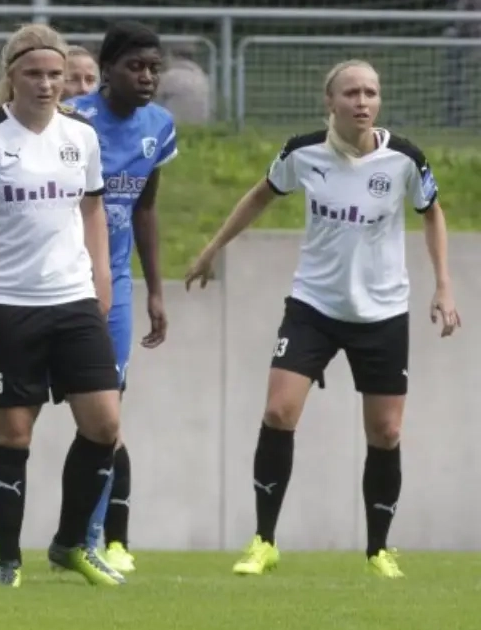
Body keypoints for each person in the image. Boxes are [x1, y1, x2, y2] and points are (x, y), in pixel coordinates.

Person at [185, 60, 460, 579]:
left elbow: (433, 213)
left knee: (386, 431)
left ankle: (378, 550)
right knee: (278, 412)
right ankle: (264, 541)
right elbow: (261, 194)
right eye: (351, 92)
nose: (363, 101)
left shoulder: (403, 158)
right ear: (329, 101)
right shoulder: (303, 152)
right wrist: (213, 248)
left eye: (371, 92)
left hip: (382, 313)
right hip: (313, 307)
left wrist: (444, 284)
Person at [0, 23, 124, 589]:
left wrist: (101, 276)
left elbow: (92, 208)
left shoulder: (81, 135)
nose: (46, 85)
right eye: (34, 74)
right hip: (6, 304)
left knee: (104, 425)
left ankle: (70, 544)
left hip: (72, 299)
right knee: (13, 435)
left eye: (55, 75)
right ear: (12, 76)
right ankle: (7, 560)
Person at [66, 21, 177, 575]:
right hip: (56, 284)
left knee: (106, 418)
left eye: (155, 68)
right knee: (12, 417)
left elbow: (145, 209)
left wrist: (154, 288)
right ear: (107, 69)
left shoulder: (160, 127)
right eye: (136, 66)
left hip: (115, 289)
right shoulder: (72, 120)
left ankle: (90, 539)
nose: (148, 77)